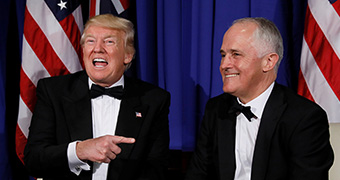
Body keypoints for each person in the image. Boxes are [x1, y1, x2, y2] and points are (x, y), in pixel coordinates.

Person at [24, 14, 170, 180]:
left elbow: (156, 168)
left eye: (109, 41)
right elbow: (33, 160)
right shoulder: (54, 91)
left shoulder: (153, 100)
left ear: (127, 55)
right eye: (91, 41)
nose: (98, 48)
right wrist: (79, 151)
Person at [185, 17, 334, 180]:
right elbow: (198, 174)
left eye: (236, 54)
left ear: (269, 62)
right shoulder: (216, 109)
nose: (224, 65)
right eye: (223, 55)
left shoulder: (305, 118)